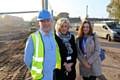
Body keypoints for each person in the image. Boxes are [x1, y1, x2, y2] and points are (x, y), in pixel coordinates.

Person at [24, 10, 61, 80]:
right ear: (39, 23)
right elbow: (27, 60)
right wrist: (38, 74)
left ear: (51, 22)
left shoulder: (52, 36)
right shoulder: (33, 38)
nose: (46, 23)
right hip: (41, 77)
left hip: (53, 74)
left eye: (48, 20)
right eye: (42, 21)